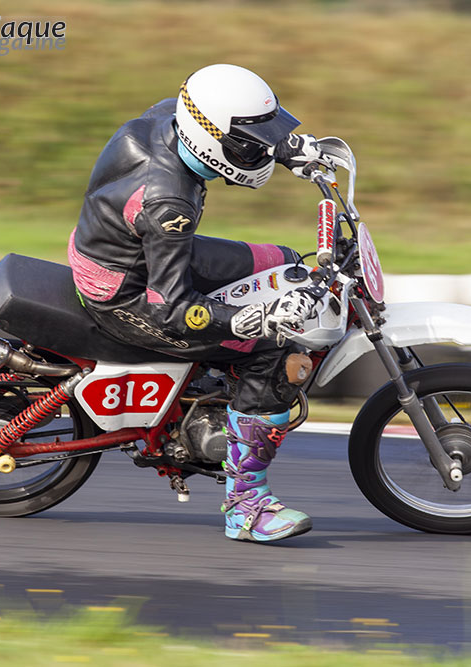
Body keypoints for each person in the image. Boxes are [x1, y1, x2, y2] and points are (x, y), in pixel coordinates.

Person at [69, 64, 334, 543]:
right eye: (252, 142)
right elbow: (173, 308)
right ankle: (245, 508)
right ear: (215, 139)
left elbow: (236, 130)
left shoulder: (175, 116)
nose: (260, 148)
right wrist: (254, 321)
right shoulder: (168, 203)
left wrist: (294, 150)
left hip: (141, 248)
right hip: (129, 292)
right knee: (274, 350)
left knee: (284, 262)